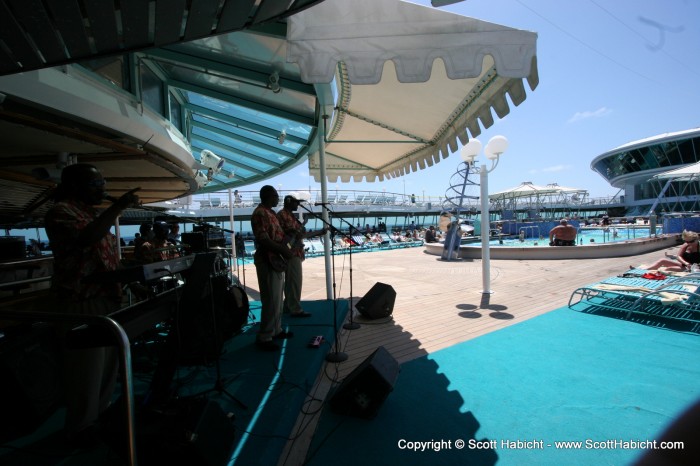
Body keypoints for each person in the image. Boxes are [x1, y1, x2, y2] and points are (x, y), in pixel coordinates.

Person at [44, 163, 140, 447]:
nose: (103, 190)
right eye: (96, 185)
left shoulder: (90, 214)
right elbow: (87, 239)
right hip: (81, 301)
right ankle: (79, 428)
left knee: (108, 367)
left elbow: (107, 256)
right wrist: (117, 207)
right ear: (73, 186)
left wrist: (131, 281)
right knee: (85, 372)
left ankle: (97, 419)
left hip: (106, 300)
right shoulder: (61, 212)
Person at [251, 185, 294, 351]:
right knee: (270, 299)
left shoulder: (271, 213)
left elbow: (278, 236)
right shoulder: (260, 213)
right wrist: (283, 250)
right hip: (267, 259)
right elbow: (263, 239)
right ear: (269, 196)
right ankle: (265, 336)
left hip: (276, 259)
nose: (278, 199)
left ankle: (276, 330)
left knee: (277, 298)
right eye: (276, 196)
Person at [277, 194, 326, 318]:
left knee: (291, 282)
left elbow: (299, 235)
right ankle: (295, 309)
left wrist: (319, 232)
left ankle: (288, 306)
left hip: (295, 251)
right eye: (296, 202)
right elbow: (294, 234)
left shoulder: (291, 216)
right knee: (294, 281)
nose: (298, 204)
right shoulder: (283, 215)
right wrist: (302, 228)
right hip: (291, 253)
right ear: (288, 202)